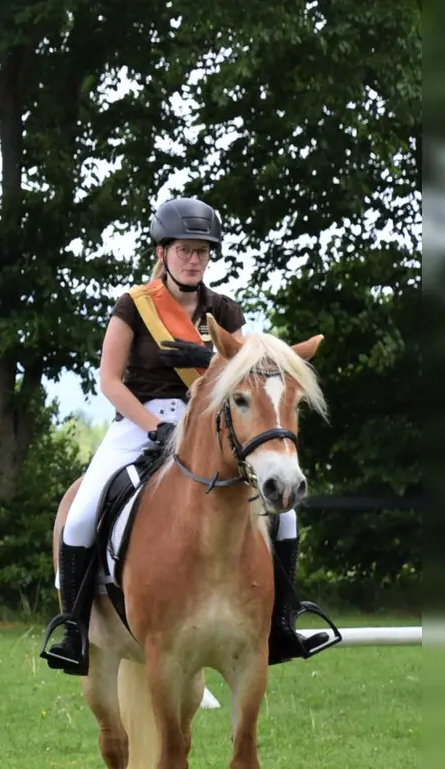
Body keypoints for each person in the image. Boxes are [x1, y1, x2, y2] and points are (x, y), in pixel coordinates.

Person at [40, 197, 337, 675]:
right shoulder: (134, 307)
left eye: (202, 251)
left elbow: (247, 376)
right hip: (140, 425)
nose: (194, 259)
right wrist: (152, 424)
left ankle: (282, 622)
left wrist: (205, 361)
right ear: (163, 252)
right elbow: (109, 381)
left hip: (209, 426)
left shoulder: (224, 309)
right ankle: (75, 630)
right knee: (80, 515)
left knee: (284, 519)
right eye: (184, 249)